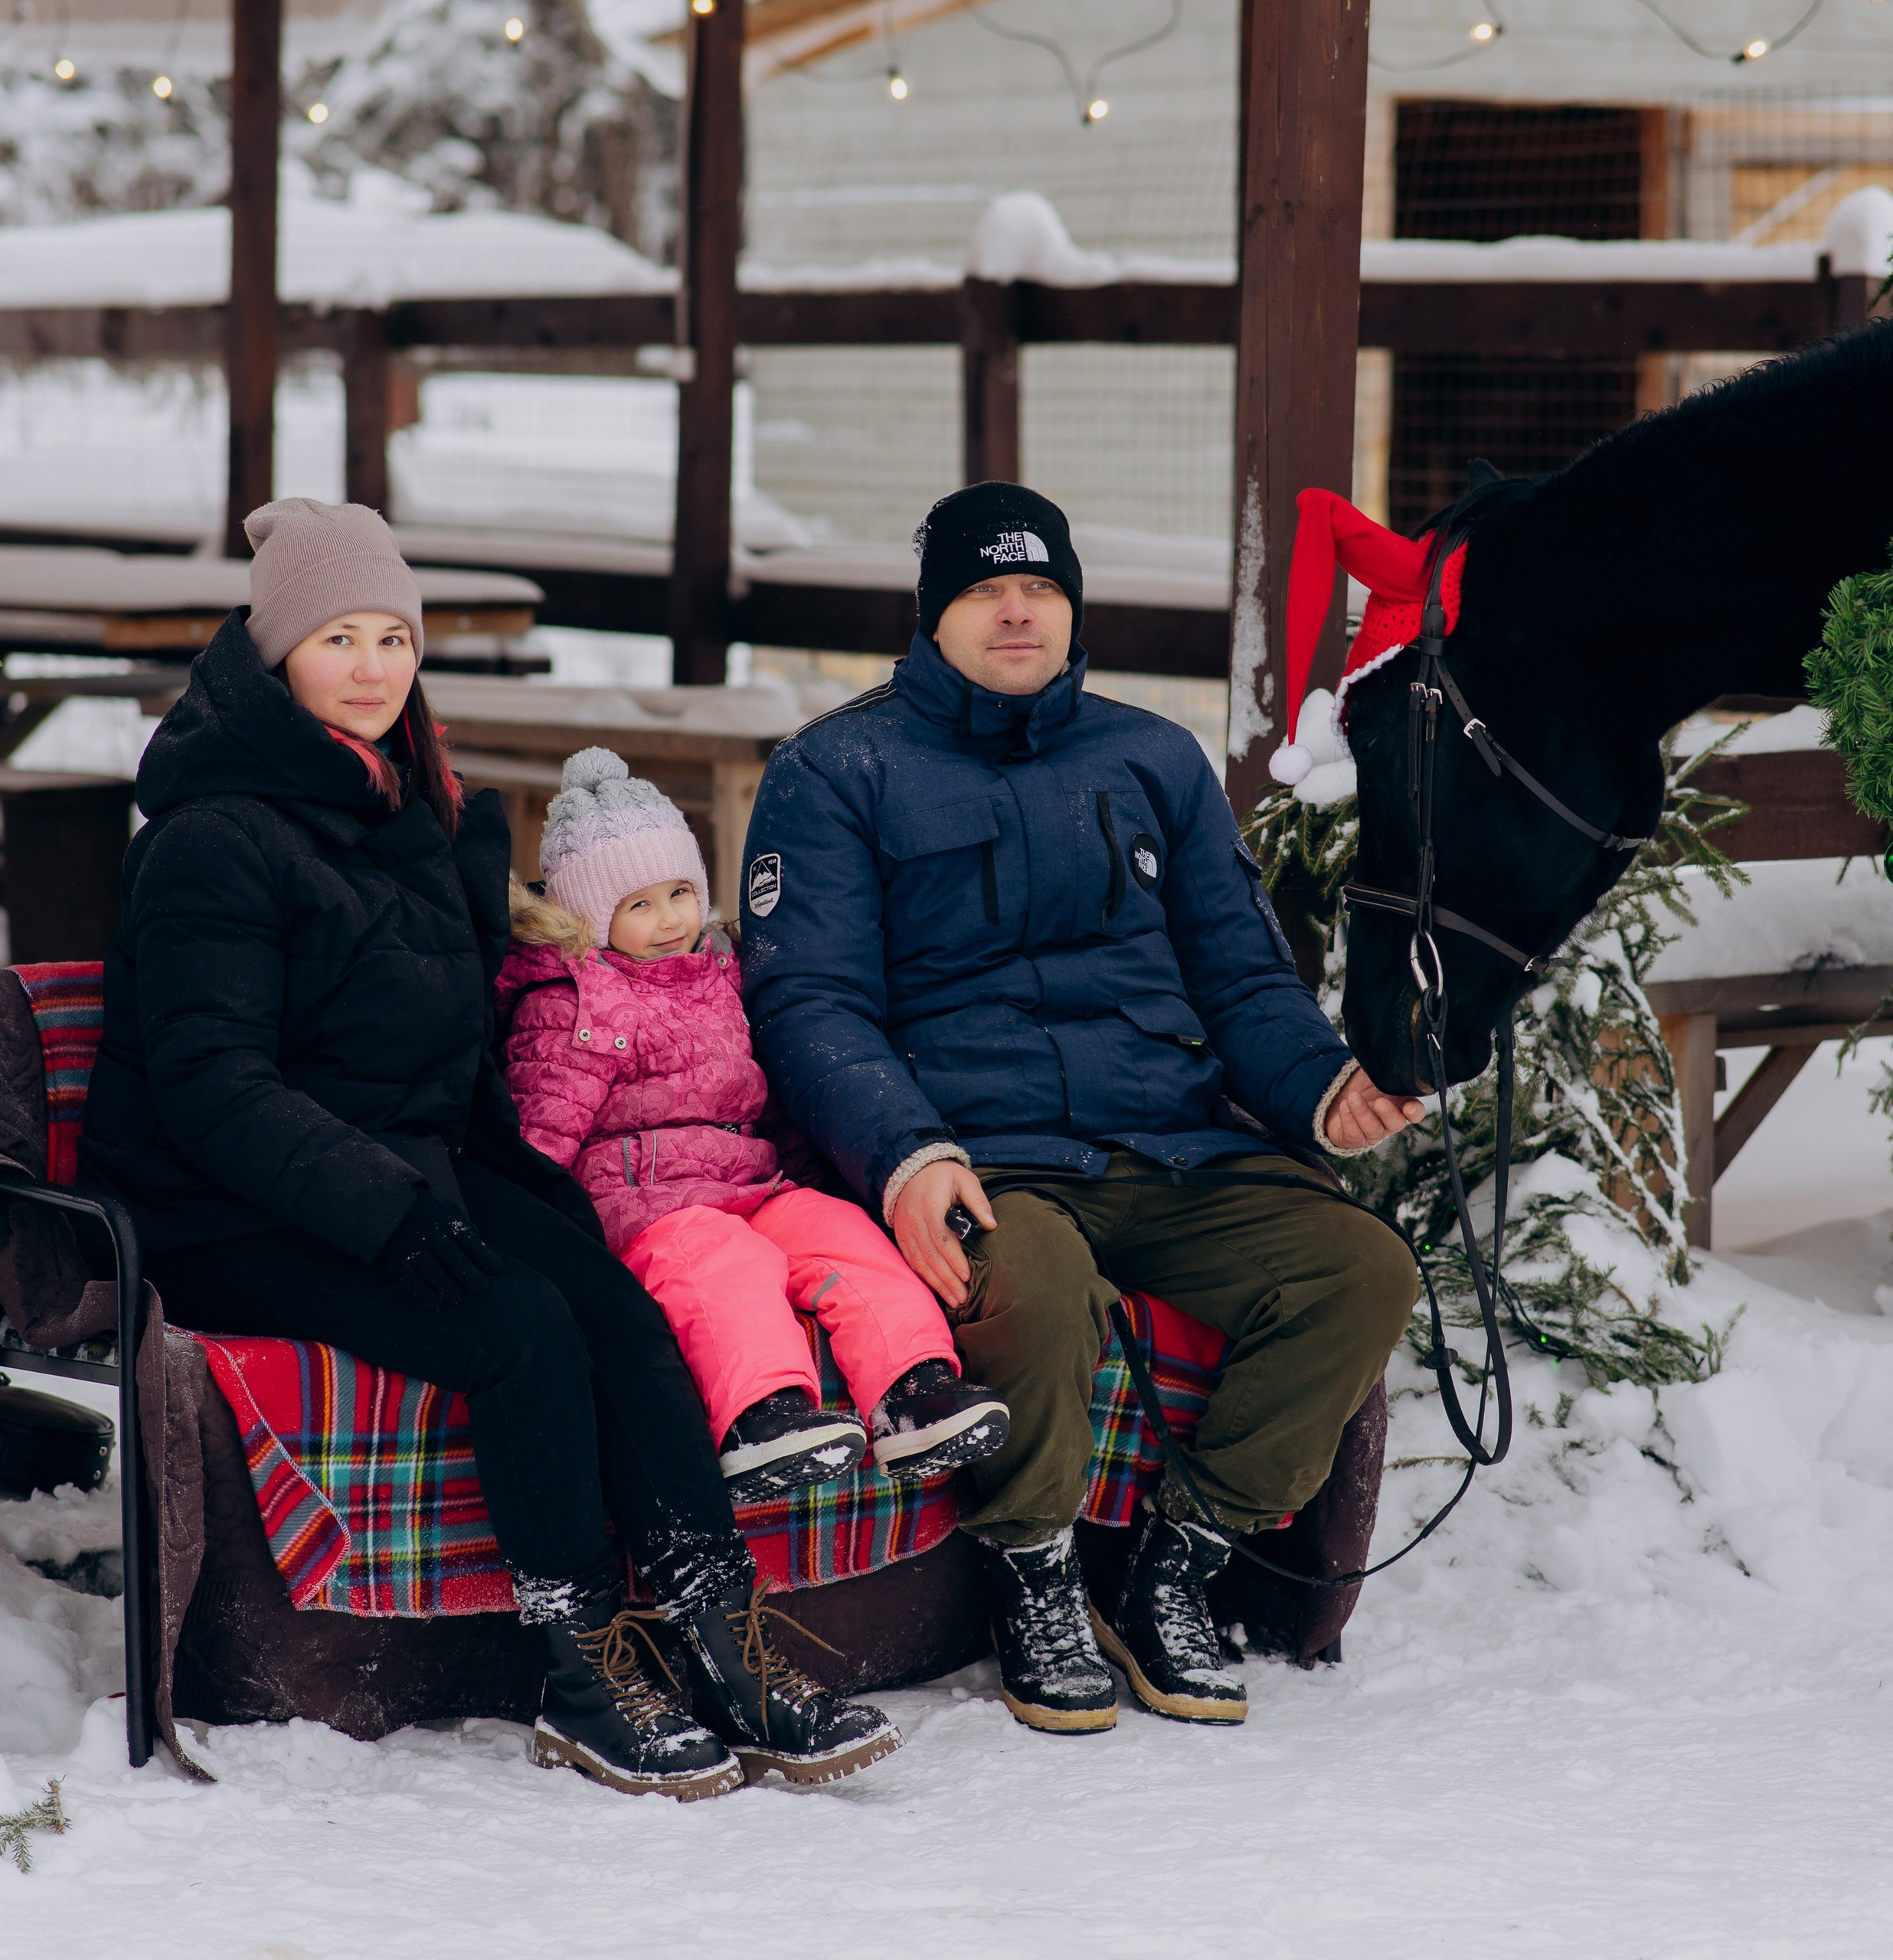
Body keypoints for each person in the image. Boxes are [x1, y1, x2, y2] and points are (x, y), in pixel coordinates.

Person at [81, 498, 901, 1797]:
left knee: (617, 1309)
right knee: (517, 1325)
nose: (370, 666)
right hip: (224, 1205)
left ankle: (716, 1627)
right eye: (337, 637)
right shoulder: (213, 837)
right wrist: (398, 1214)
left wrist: (518, 1190)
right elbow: (210, 1085)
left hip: (397, 1170)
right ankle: (580, 1666)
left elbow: (444, 1053)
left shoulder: (416, 808)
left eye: (392, 637)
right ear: (276, 651)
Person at [739, 482, 1426, 1736]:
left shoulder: (1153, 758)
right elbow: (810, 1007)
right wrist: (904, 1156)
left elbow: (1240, 972)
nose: (1018, 612)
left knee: (1363, 1272)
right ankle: (1037, 1574)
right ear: (934, 614)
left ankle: (1184, 1556)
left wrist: (1327, 1088)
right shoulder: (836, 772)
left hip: (1176, 1143)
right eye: (988, 590)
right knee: (1038, 1287)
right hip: (986, 1157)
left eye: (1042, 589)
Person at [497, 746, 1009, 1502]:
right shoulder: (573, 1000)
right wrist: (537, 1236)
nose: (670, 918)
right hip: (648, 1211)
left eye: (680, 892)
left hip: (752, 1185)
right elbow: (540, 1132)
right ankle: (762, 1414)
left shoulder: (724, 973)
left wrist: (808, 1174)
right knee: (723, 1266)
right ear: (588, 916)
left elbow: (767, 1099)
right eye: (639, 905)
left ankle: (914, 1389)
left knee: (843, 1237)